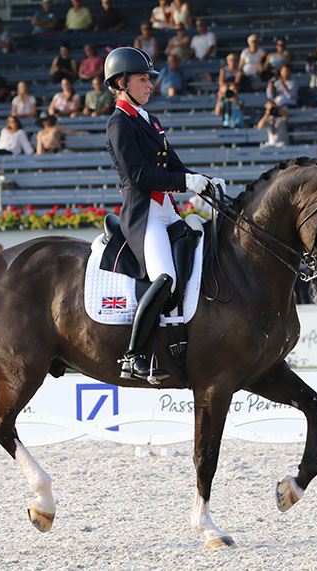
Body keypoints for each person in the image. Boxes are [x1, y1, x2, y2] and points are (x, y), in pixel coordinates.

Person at [102, 46, 225, 382]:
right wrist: (185, 181)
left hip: (167, 210)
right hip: (144, 217)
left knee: (204, 243)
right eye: (143, 79)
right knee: (165, 278)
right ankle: (134, 354)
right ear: (121, 82)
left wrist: (203, 182)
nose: (149, 84)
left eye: (149, 79)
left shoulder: (149, 120)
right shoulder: (119, 124)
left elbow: (172, 165)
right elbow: (138, 176)